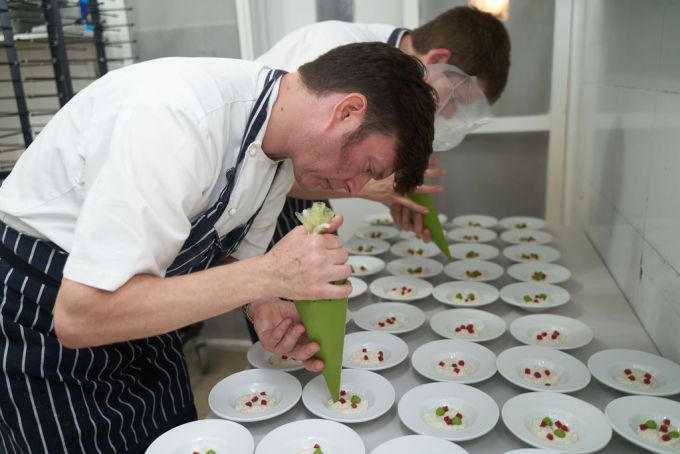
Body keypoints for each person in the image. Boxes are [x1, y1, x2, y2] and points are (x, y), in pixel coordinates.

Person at [0, 42, 435, 453]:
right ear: (347, 111)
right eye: (368, 168)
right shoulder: (176, 117)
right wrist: (272, 274)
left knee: (179, 436)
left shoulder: (279, 147)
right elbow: (80, 317)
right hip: (42, 319)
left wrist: (263, 304)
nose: (356, 187)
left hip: (147, 315)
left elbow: (233, 257)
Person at [259, 6, 511, 243]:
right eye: (457, 97)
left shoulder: (397, 73)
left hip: (299, 202)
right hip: (255, 206)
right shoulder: (339, 51)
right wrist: (369, 185)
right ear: (437, 58)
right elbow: (267, 173)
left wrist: (396, 192)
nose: (451, 112)